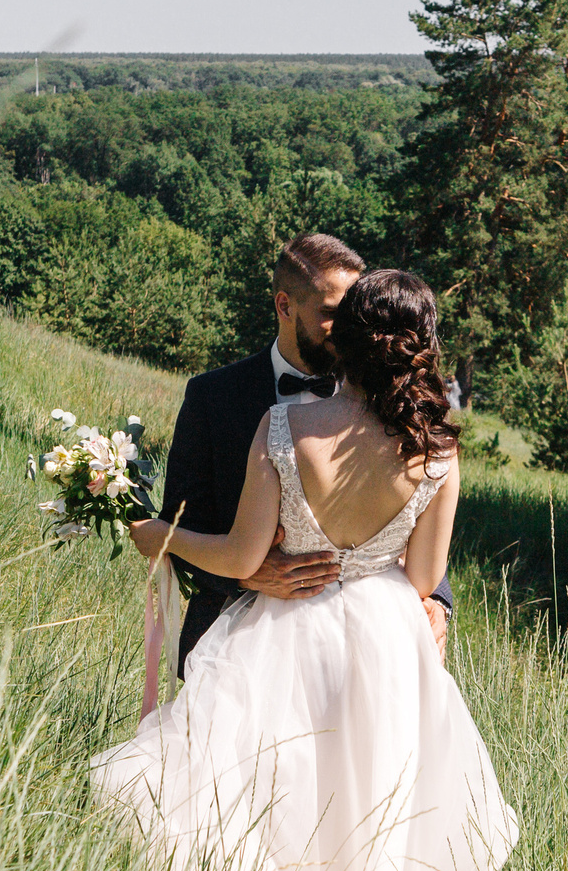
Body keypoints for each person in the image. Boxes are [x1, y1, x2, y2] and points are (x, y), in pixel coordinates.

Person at [93, 269, 516, 871]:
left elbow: (244, 560)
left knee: (279, 815)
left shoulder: (285, 426)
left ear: (344, 338)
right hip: (388, 651)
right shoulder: (438, 450)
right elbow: (426, 580)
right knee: (372, 825)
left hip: (285, 637)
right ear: (421, 346)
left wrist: (162, 536)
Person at [157, 234, 452, 675]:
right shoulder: (213, 396)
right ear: (285, 306)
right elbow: (182, 521)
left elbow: (421, 507)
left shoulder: (395, 407)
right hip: (233, 653)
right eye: (334, 314)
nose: (353, 330)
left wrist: (437, 603)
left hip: (363, 656)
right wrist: (244, 573)